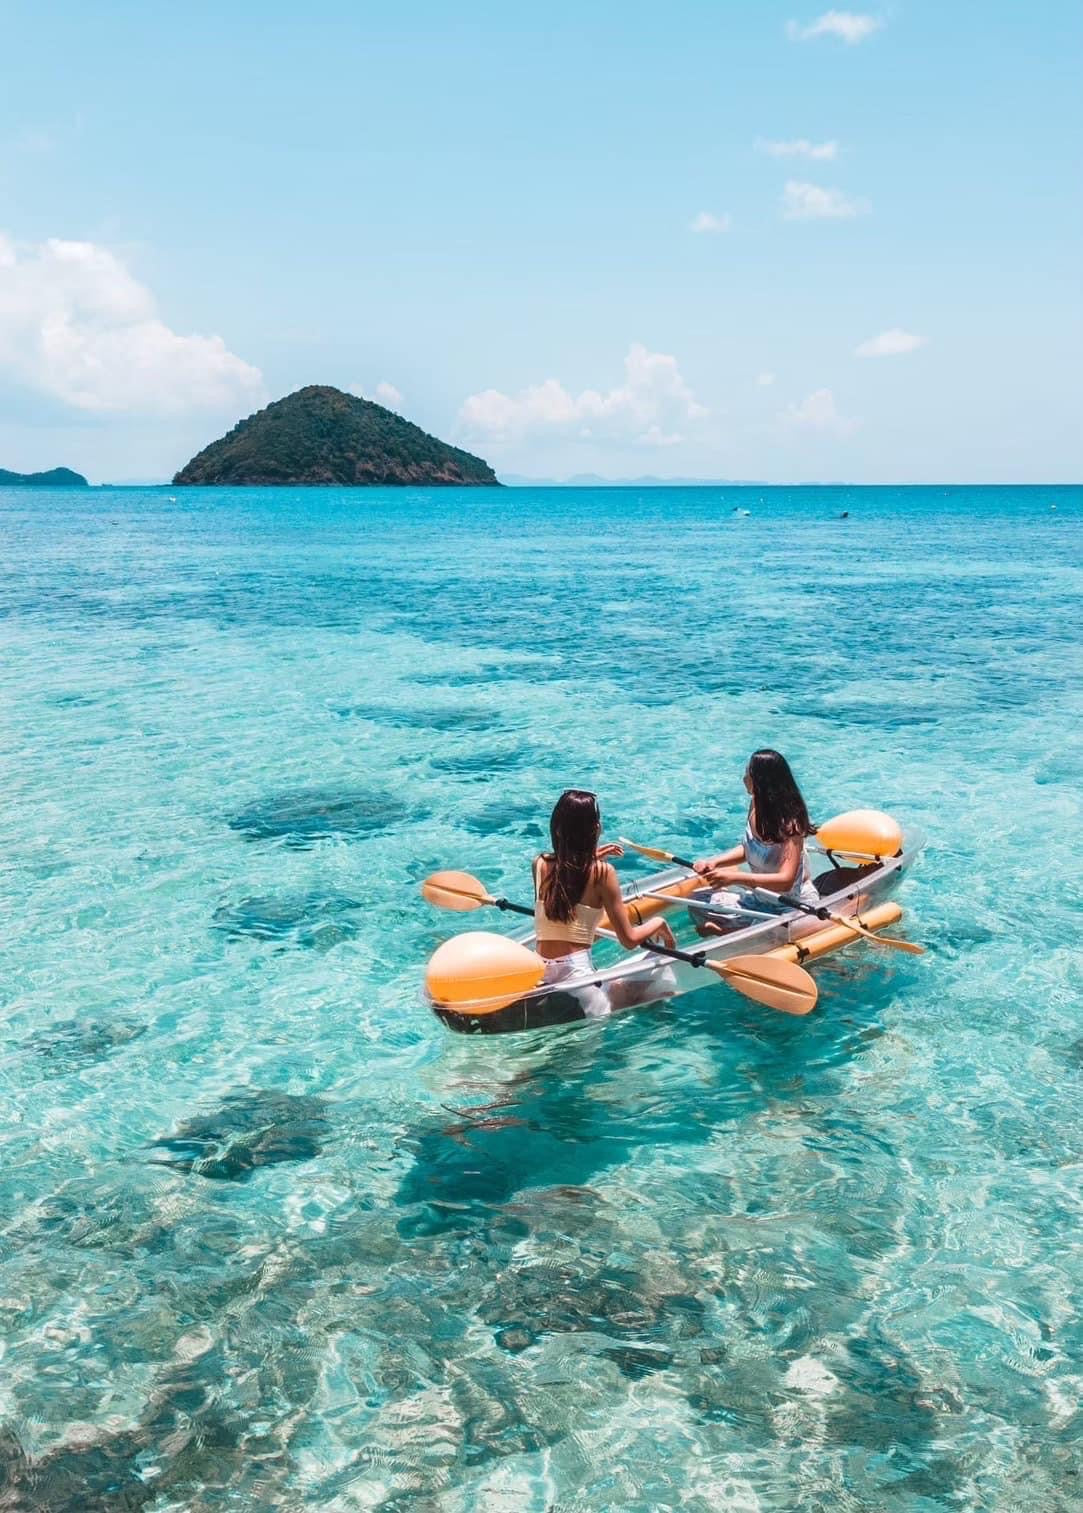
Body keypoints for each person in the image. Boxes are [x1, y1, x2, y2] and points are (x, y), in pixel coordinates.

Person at [534, 790, 676, 1016]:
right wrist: (659, 923)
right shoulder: (603, 873)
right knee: (662, 978)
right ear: (595, 829)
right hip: (582, 987)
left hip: (541, 978)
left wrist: (592, 858)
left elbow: (567, 887)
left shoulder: (540, 864)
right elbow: (629, 940)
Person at [691, 749, 819, 932]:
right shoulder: (755, 804)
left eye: (748, 774)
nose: (744, 779)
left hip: (791, 905)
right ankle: (736, 929)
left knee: (773, 930)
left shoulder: (792, 823)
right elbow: (749, 847)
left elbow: (786, 880)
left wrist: (734, 878)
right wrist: (714, 862)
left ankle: (729, 931)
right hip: (759, 900)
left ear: (761, 781)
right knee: (697, 901)